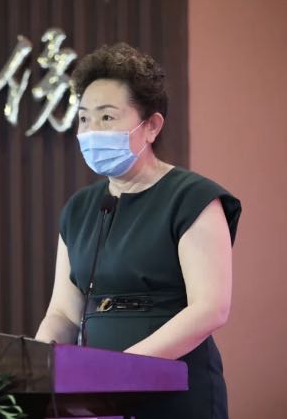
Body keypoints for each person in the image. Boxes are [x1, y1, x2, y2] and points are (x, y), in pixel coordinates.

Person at [35, 43, 241, 419]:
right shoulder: (79, 209)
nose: (91, 131)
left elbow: (210, 308)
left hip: (175, 393)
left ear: (151, 126)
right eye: (83, 119)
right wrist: (36, 369)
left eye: (107, 117)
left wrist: (124, 370)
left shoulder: (192, 198)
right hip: (98, 398)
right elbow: (63, 313)